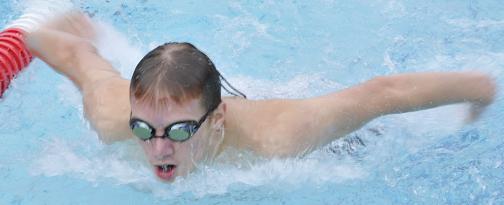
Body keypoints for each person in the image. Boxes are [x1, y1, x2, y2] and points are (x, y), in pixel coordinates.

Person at [25, 12, 496, 181]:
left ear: (217, 119)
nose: (158, 148)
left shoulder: (282, 138)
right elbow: (77, 57)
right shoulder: (115, 118)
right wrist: (27, 32)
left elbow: (383, 92)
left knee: (358, 136)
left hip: (294, 123)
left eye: (181, 130)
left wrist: (479, 88)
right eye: (144, 130)